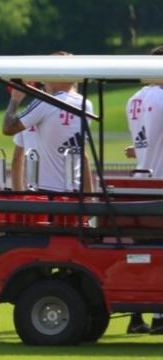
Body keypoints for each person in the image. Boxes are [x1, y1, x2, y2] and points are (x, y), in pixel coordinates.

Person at [1, 52, 94, 193]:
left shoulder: (44, 104)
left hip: (45, 192)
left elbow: (7, 129)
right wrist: (90, 197)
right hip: (75, 191)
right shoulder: (86, 105)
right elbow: (82, 155)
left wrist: (15, 99)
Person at [123, 45, 163, 335]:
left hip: (139, 182)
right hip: (160, 182)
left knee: (139, 254)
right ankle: (160, 317)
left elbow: (144, 139)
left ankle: (136, 317)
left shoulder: (134, 98)